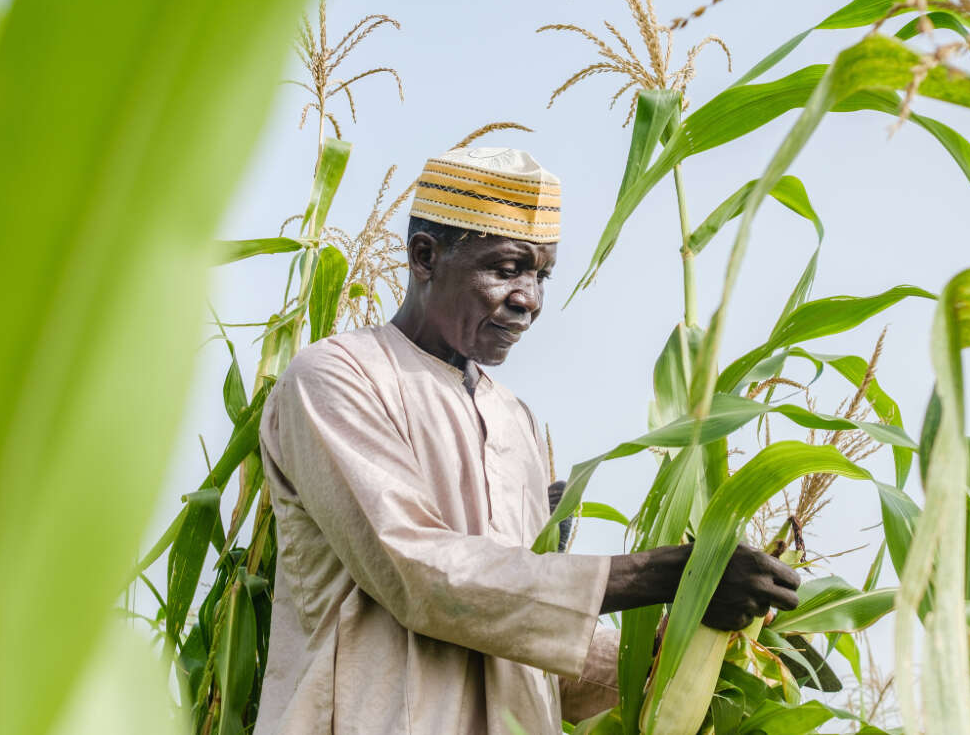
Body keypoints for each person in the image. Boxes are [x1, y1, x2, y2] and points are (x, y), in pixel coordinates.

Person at [254, 147, 800, 735]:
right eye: (508, 268)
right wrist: (668, 574)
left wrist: (703, 644)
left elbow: (527, 633)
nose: (530, 300)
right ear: (425, 256)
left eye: (541, 275)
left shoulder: (516, 421)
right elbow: (419, 576)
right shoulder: (338, 377)